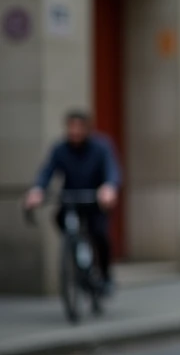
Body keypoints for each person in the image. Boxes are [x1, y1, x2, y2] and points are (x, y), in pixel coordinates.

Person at [23, 110, 122, 294]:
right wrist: (37, 189)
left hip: (95, 199)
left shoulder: (101, 147)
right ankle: (76, 253)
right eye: (71, 127)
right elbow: (47, 171)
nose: (75, 132)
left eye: (79, 127)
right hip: (71, 199)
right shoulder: (60, 149)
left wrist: (109, 187)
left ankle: (105, 275)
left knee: (100, 233)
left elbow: (112, 169)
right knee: (61, 220)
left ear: (87, 129)